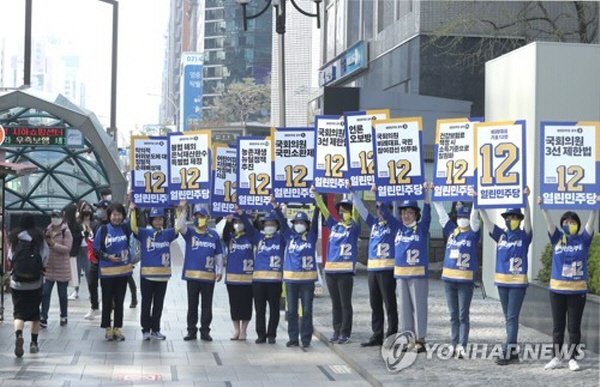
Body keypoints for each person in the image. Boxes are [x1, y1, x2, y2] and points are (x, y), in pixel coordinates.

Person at [539, 195, 598, 371]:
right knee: (558, 326)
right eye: (566, 221)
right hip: (557, 290)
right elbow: (549, 224)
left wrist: (595, 206)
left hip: (577, 290)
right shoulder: (557, 238)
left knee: (574, 327)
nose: (569, 224)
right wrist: (544, 208)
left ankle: (572, 358)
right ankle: (556, 357)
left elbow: (591, 223)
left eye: (572, 222)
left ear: (577, 224)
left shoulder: (583, 240)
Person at [477, 187, 532, 365]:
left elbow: (529, 220)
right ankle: (513, 351)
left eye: (514, 217)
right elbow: (486, 221)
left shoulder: (524, 236)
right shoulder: (501, 235)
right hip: (502, 282)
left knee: (512, 317)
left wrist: (526, 200)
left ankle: (509, 351)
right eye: (508, 218)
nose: (511, 220)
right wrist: (479, 203)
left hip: (518, 283)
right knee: (508, 317)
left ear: (519, 219)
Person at [347, 183, 399, 347]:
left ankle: (391, 335)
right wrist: (353, 193)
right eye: (377, 208)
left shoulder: (394, 224)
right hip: (373, 269)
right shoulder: (375, 223)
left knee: (389, 303)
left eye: (384, 208)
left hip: (387, 269)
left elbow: (385, 211)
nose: (380, 211)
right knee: (375, 303)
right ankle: (377, 334)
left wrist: (378, 195)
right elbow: (362, 210)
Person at [312, 186, 361, 344]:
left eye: (346, 209)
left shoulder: (353, 227)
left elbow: (356, 212)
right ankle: (336, 329)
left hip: (345, 271)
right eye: (341, 209)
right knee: (335, 304)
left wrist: (353, 193)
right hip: (330, 271)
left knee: (345, 303)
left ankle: (345, 332)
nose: (343, 212)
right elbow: (323, 209)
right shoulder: (334, 225)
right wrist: (316, 195)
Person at [432, 199, 480, 359]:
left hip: (465, 280)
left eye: (464, 216)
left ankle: (462, 345)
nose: (462, 219)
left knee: (463, 314)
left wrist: (476, 201)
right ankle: (454, 344)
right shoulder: (452, 231)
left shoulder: (473, 232)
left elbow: (474, 217)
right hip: (449, 279)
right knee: (453, 315)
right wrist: (436, 200)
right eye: (459, 216)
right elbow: (442, 217)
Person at [392, 183, 432, 353]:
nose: (406, 215)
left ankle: (420, 339)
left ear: (416, 214)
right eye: (403, 212)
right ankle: (407, 338)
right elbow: (387, 213)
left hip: (417, 274)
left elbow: (428, 212)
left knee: (419, 306)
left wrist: (427, 194)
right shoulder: (398, 228)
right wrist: (382, 194)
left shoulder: (421, 228)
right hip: (401, 274)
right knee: (404, 308)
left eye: (409, 212)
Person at [274, 201, 320, 347]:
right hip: (291, 281)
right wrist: (276, 207)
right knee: (292, 311)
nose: (299, 224)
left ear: (307, 224)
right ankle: (293, 337)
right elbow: (281, 222)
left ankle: (306, 338)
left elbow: (316, 219)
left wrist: (318, 204)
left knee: (307, 310)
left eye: (302, 222)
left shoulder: (311, 236)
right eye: (297, 222)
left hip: (307, 281)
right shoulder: (289, 236)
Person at [131, 205, 178, 340]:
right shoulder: (145, 233)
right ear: (151, 221)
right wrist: (133, 211)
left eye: (160, 219)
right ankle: (145, 329)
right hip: (147, 276)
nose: (158, 222)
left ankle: (156, 329)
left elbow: (179, 228)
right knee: (146, 303)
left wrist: (180, 211)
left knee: (158, 304)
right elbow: (133, 228)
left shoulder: (167, 234)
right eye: (155, 219)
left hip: (163, 277)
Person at [179, 203, 223, 341]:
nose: (199, 219)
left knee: (207, 305)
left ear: (207, 217)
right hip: (192, 276)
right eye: (197, 216)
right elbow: (180, 227)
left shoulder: (213, 235)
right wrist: (183, 210)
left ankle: (205, 330)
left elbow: (219, 254)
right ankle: (191, 330)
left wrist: (220, 270)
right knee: (192, 305)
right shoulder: (190, 233)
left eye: (202, 216)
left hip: (208, 276)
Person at [9, 213, 49, 357]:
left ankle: (19, 335)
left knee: (18, 312)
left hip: (17, 283)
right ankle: (34, 343)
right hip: (35, 283)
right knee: (34, 314)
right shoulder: (39, 239)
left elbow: (10, 257)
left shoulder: (14, 238)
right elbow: (45, 257)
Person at [244, 204, 285, 344]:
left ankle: (272, 334)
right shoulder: (259, 238)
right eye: (266, 224)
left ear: (277, 225)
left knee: (274, 309)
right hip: (258, 281)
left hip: (275, 280)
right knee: (259, 309)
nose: (269, 226)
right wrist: (242, 213)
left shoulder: (281, 238)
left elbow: (285, 224)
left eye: (272, 223)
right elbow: (249, 229)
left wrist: (278, 210)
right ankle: (260, 334)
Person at [93, 202, 133, 341]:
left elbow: (134, 224)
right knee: (107, 300)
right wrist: (108, 256)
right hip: (107, 272)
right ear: (109, 215)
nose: (116, 217)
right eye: (114, 215)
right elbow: (96, 249)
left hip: (123, 272)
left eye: (119, 214)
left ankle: (117, 328)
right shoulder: (103, 230)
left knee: (120, 300)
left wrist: (132, 209)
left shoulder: (125, 228)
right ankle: (107, 328)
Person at [223, 208, 255, 341]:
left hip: (248, 278)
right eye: (236, 222)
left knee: (246, 305)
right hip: (232, 278)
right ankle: (236, 329)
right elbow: (224, 234)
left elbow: (253, 229)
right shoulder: (230, 238)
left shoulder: (251, 237)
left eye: (240, 221)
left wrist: (248, 217)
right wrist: (228, 222)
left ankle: (244, 330)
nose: (238, 224)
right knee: (234, 304)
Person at [40, 210, 73, 327]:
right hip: (49, 267)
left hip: (62, 267)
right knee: (45, 292)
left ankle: (63, 315)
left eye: (57, 217)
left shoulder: (66, 232)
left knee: (62, 294)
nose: (55, 219)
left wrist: (54, 244)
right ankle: (43, 317)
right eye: (53, 216)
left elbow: (67, 248)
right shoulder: (47, 230)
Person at [84, 199, 110, 320]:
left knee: (107, 288)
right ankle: (94, 307)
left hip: (108, 261)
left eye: (101, 208)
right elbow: (90, 242)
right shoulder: (95, 224)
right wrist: (92, 257)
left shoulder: (112, 225)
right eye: (98, 208)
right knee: (91, 283)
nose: (98, 211)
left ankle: (109, 310)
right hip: (94, 260)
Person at [64, 203, 83, 300]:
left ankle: (73, 291)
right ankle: (74, 291)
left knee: (71, 272)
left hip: (69, 252)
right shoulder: (72, 225)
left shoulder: (68, 224)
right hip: (72, 252)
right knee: (72, 272)